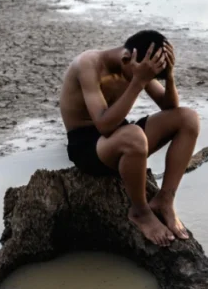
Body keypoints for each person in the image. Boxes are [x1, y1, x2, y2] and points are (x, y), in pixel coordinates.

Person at [59, 30, 200, 247]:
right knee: (134, 136)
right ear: (127, 59)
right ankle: (140, 211)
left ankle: (165, 199)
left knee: (188, 119)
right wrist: (138, 82)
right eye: (143, 76)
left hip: (121, 137)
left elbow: (170, 108)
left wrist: (169, 75)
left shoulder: (137, 66)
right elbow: (104, 125)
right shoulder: (89, 64)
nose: (145, 81)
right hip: (88, 146)